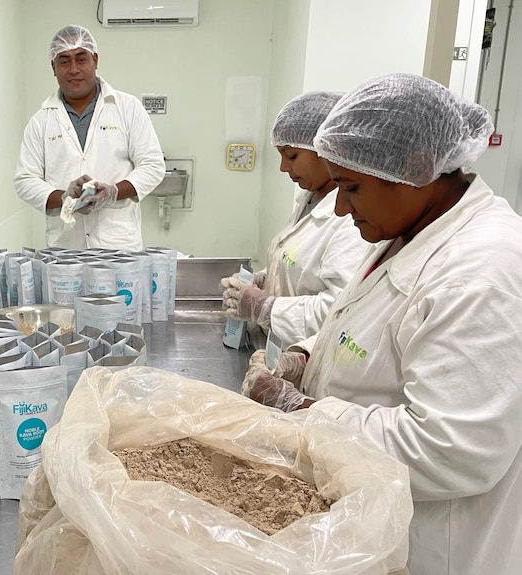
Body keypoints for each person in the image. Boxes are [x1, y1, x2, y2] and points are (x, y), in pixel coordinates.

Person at [242, 73, 522, 574]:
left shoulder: (479, 273)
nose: (341, 207)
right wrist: (307, 354)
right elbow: (364, 322)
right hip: (372, 519)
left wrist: (304, 410)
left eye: (351, 187)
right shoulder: (410, 226)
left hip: (434, 545)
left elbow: (450, 452)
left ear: (416, 168)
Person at [221, 92, 369, 348]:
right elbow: (300, 266)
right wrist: (264, 279)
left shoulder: (351, 220)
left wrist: (266, 307)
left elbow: (340, 309)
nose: (283, 167)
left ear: (326, 149)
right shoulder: (309, 198)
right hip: (279, 345)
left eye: (291, 156)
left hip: (309, 354)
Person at [14, 25, 165, 250]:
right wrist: (64, 197)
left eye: (81, 59)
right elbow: (25, 180)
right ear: (53, 67)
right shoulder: (41, 121)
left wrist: (113, 192)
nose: (73, 69)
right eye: (64, 61)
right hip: (66, 247)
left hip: (118, 245)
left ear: (95, 60)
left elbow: (153, 166)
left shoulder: (127, 108)